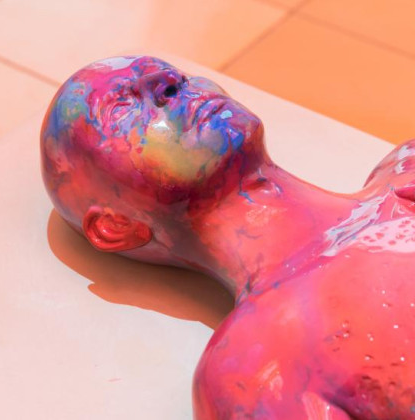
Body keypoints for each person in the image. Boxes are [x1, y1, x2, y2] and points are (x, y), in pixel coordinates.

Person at [41, 55, 415, 419]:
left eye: (176, 74)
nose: (170, 83)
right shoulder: (258, 374)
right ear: (115, 226)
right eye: (123, 109)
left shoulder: (407, 164)